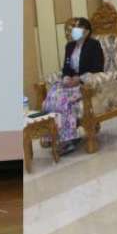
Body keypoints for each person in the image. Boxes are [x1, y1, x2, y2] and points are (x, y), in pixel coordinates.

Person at [42, 18, 104, 154]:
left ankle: (68, 140)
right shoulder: (69, 46)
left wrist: (79, 79)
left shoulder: (94, 45)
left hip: (86, 84)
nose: (74, 30)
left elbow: (98, 68)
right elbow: (66, 67)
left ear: (86, 31)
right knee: (51, 96)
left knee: (62, 100)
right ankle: (52, 136)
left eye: (77, 28)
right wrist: (66, 77)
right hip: (71, 83)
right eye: (74, 27)